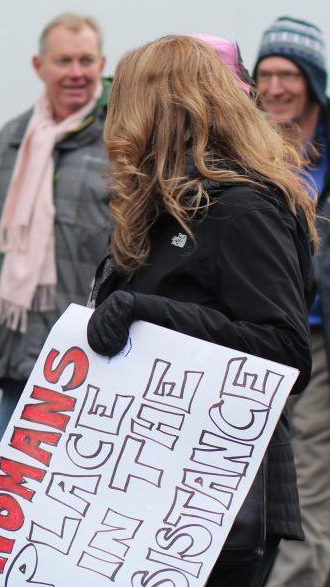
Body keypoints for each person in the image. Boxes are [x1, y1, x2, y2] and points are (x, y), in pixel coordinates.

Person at [86, 35, 317, 587]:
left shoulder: (243, 210)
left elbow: (285, 350)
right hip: (152, 491)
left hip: (218, 502)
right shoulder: (167, 207)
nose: (112, 116)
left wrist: (148, 313)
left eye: (126, 99)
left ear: (166, 112)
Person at [0, 12, 111, 446]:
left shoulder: (124, 140)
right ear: (38, 66)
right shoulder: (11, 143)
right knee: (9, 499)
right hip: (21, 366)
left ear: (102, 64)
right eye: (64, 61)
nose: (76, 73)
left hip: (99, 364)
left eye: (87, 61)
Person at [254, 16, 330, 587]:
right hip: (258, 332)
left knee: (309, 469)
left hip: (316, 333)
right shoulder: (249, 143)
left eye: (288, 73)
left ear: (312, 80)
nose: (276, 87)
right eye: (266, 73)